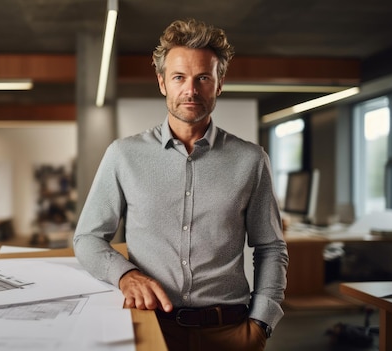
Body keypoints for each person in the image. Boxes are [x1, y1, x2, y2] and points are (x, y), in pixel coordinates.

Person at [73, 18, 288, 351]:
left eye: (203, 77)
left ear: (219, 83)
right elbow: (87, 238)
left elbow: (271, 247)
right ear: (162, 83)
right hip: (150, 326)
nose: (191, 90)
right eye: (179, 78)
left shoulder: (251, 160)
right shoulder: (123, 155)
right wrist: (126, 275)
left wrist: (262, 321)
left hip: (230, 331)